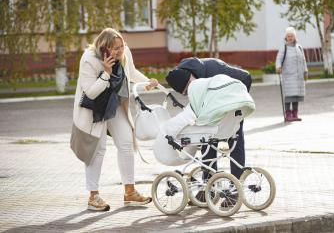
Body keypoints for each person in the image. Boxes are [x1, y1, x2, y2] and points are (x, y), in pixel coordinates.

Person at [70, 28, 158, 211]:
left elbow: (131, 73)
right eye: (115, 48)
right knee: (98, 149)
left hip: (115, 104)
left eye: (121, 46)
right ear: (104, 47)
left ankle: (130, 192)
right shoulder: (89, 59)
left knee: (126, 143)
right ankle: (93, 196)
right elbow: (91, 92)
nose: (119, 51)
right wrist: (106, 73)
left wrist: (146, 82)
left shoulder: (124, 51)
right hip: (95, 109)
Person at [165, 57, 252, 205]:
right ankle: (210, 188)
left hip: (237, 94)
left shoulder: (209, 75)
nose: (188, 92)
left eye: (188, 89)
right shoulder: (187, 72)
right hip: (221, 97)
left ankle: (235, 190)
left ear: (190, 77)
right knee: (206, 137)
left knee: (234, 138)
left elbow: (244, 79)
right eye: (185, 93)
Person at [275, 26, 308, 122]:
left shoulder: (299, 47)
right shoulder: (284, 48)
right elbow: (279, 59)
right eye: (288, 36)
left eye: (291, 36)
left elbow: (303, 60)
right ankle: (288, 114)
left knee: (296, 96)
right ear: (286, 37)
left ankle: (295, 113)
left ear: (295, 36)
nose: (290, 38)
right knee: (289, 96)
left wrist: (305, 71)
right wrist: (278, 67)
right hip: (289, 75)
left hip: (299, 76)